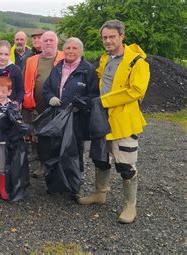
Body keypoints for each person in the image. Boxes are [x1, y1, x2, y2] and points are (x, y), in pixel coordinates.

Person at [78, 20, 150, 224]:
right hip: (102, 118)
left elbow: (137, 91)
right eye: (104, 37)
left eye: (111, 37)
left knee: (126, 165)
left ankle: (130, 206)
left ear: (121, 36)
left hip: (123, 121)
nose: (108, 41)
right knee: (101, 159)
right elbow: (101, 78)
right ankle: (100, 194)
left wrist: (104, 100)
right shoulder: (105, 59)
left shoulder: (138, 62)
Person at [42, 37, 99, 196]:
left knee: (74, 152)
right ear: (63, 50)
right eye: (68, 48)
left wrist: (80, 104)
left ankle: (74, 186)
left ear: (81, 51)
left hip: (77, 118)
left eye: (74, 48)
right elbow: (47, 89)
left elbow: (94, 95)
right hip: (57, 116)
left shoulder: (88, 70)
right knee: (55, 149)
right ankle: (54, 184)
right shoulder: (58, 68)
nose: (71, 51)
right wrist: (50, 97)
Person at [22, 31, 64, 178]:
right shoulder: (31, 60)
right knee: (39, 138)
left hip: (58, 107)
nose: (48, 43)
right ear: (41, 43)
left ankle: (57, 168)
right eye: (45, 40)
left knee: (57, 138)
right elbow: (24, 82)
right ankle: (42, 165)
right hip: (37, 106)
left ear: (57, 42)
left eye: (51, 40)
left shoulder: (65, 58)